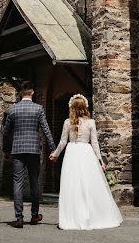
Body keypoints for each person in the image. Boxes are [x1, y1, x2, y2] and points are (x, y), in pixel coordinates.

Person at [50, 93, 123, 230]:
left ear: (72, 107)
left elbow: (62, 142)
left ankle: (73, 217)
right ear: (85, 107)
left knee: (73, 185)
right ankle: (91, 215)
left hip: (72, 153)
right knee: (89, 184)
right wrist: (100, 160)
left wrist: (55, 154)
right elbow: (94, 143)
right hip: (86, 153)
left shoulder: (67, 122)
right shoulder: (91, 122)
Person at [2, 81, 56, 228]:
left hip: (17, 150)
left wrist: (6, 150)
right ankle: (34, 215)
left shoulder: (13, 110)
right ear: (32, 92)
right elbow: (46, 130)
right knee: (34, 182)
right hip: (33, 149)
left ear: (20, 93)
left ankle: (19, 218)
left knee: (17, 182)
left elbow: (6, 133)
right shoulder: (38, 109)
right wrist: (53, 148)